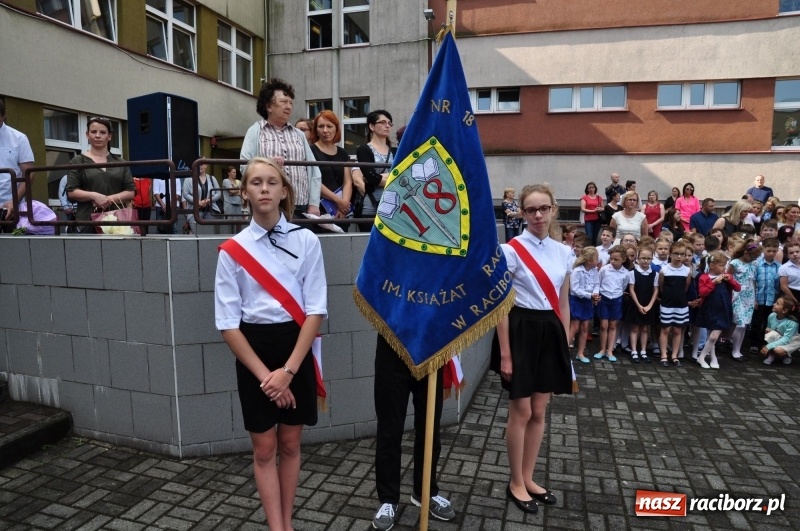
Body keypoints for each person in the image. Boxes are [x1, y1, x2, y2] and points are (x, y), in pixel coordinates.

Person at [214, 157, 327, 531]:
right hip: (254, 354)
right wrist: (268, 378)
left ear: (283, 192)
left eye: (272, 182)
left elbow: (315, 310)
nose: (264, 188)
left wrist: (289, 372)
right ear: (244, 192)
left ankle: (287, 524)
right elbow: (228, 324)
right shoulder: (232, 250)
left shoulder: (307, 240)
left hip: (296, 348)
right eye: (256, 182)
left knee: (291, 444)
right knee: (264, 449)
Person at [492, 183, 572, 515]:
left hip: (550, 332)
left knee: (539, 411)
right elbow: (500, 305)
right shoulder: (510, 250)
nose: (538, 215)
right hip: (520, 330)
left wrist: (565, 345)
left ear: (553, 210)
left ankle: (528, 477)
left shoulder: (564, 252)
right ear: (522, 213)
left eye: (544, 208)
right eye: (531, 209)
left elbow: (563, 303)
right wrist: (506, 353)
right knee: (521, 411)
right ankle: (515, 482)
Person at [371, 338, 456, 530]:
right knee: (389, 430)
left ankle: (425, 492)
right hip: (393, 346)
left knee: (429, 428)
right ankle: (388, 499)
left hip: (430, 349)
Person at [240, 78, 321, 217]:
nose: (289, 106)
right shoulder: (255, 131)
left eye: (291, 103)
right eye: (283, 102)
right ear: (269, 106)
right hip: (269, 205)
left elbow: (314, 170)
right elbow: (244, 167)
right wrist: (268, 164)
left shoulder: (299, 134)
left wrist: (314, 203)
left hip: (300, 205)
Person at [66, 116, 134, 233]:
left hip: (117, 223)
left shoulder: (121, 162)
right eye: (93, 132)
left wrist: (107, 199)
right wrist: (94, 196)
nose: (97, 135)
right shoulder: (77, 161)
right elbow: (71, 192)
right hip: (87, 222)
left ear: (109, 136)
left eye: (102, 132)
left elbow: (130, 192)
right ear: (87, 135)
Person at [695, 251, 740, 369]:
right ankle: (713, 358)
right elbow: (702, 293)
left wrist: (730, 280)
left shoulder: (726, 277)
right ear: (712, 265)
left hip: (723, 308)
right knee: (710, 336)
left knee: (714, 336)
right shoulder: (704, 277)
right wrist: (713, 283)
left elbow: (738, 288)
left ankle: (701, 357)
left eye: (725, 265)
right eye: (721, 265)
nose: (724, 268)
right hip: (709, 308)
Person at [352, 110, 395, 232]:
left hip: (393, 206)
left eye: (389, 123)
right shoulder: (364, 149)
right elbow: (371, 177)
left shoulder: (395, 151)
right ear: (371, 126)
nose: (387, 126)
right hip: (371, 205)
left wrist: (379, 177)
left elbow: (403, 176)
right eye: (382, 122)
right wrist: (393, 178)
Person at [308, 111, 353, 221]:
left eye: (329, 126)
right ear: (316, 130)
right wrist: (338, 201)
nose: (325, 130)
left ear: (336, 129)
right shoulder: (310, 151)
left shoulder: (342, 153)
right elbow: (313, 180)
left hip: (342, 210)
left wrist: (344, 205)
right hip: (320, 207)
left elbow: (348, 182)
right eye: (321, 126)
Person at [0, 99, 34, 232]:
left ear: (4, 115)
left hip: (10, 209)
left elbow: (29, 174)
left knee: (12, 244)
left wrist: (14, 201)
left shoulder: (19, 138)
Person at [658, 240, 692, 367]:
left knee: (678, 330)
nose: (679, 257)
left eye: (682, 254)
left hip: (681, 304)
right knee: (665, 329)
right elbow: (661, 287)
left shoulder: (687, 271)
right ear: (670, 254)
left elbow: (685, 288)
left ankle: (674, 355)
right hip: (667, 303)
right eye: (676, 254)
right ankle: (663, 355)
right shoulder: (664, 270)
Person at [592, 245, 628, 362]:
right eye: (611, 258)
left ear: (623, 259)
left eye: (616, 259)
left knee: (613, 325)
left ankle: (610, 350)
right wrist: (597, 294)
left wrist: (618, 294)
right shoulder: (604, 269)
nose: (613, 261)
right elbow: (598, 282)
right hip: (604, 298)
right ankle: (602, 349)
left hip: (616, 300)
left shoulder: (626, 273)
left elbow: (623, 286)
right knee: (603, 325)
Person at [727, 238, 760, 361]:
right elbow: (728, 278)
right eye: (753, 256)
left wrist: (754, 298)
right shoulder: (735, 263)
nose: (754, 259)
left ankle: (738, 349)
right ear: (746, 253)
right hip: (737, 295)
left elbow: (753, 281)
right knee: (739, 323)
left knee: (745, 324)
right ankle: (734, 350)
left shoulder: (753, 264)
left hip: (749, 295)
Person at [626, 246, 658, 363]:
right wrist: (638, 305)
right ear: (638, 259)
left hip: (648, 304)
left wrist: (649, 306)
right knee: (635, 328)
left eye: (648, 258)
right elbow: (632, 289)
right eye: (643, 258)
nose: (645, 261)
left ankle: (643, 351)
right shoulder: (632, 273)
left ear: (652, 259)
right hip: (636, 304)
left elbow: (655, 291)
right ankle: (634, 351)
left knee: (645, 329)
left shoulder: (655, 274)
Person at [569, 247, 600, 364]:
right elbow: (574, 289)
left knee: (585, 327)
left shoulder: (595, 270)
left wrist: (595, 294)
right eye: (596, 258)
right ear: (589, 260)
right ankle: (564, 352)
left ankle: (580, 353)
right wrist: (589, 295)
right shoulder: (577, 271)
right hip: (577, 300)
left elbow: (596, 284)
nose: (598, 260)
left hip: (587, 301)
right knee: (574, 327)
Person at [751, 238, 781, 353]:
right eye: (768, 250)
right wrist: (753, 298)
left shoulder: (779, 266)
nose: (771, 253)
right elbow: (753, 282)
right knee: (756, 322)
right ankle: (754, 343)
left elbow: (778, 285)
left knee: (769, 322)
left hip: (771, 299)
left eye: (774, 251)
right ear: (763, 249)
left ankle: (764, 343)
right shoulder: (756, 264)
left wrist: (777, 300)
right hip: (759, 298)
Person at [182, 163, 221, 234]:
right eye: (198, 164)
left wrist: (209, 200)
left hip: (210, 210)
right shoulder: (188, 179)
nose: (200, 166)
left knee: (209, 234)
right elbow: (185, 194)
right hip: (194, 211)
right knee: (197, 233)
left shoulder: (212, 178)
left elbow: (218, 193)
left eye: (202, 164)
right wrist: (197, 202)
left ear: (206, 166)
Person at [760, 297, 800, 365]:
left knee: (778, 350)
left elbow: (786, 339)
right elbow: (769, 326)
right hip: (780, 337)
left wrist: (768, 346)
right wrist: (767, 330)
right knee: (770, 334)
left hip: (791, 340)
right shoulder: (772, 316)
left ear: (784, 310)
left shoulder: (792, 323)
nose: (774, 304)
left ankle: (787, 355)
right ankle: (771, 355)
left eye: (777, 304)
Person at [580, 181, 603, 246]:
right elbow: (583, 209)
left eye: (592, 187)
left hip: (597, 220)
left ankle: (594, 249)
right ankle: (588, 249)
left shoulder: (599, 197)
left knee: (595, 237)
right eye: (589, 188)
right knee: (589, 237)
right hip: (589, 220)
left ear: (595, 188)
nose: (591, 189)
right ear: (587, 189)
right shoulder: (584, 197)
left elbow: (603, 208)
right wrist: (593, 211)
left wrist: (599, 209)